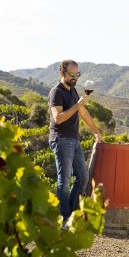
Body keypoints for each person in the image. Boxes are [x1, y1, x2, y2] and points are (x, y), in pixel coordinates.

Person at [48, 60, 104, 226]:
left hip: (73, 140)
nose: (75, 78)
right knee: (64, 181)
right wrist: (78, 104)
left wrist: (96, 132)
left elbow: (83, 113)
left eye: (77, 74)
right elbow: (58, 118)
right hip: (60, 139)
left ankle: (71, 214)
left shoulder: (72, 91)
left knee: (83, 177)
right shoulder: (56, 92)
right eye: (72, 74)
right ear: (62, 73)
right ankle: (63, 218)